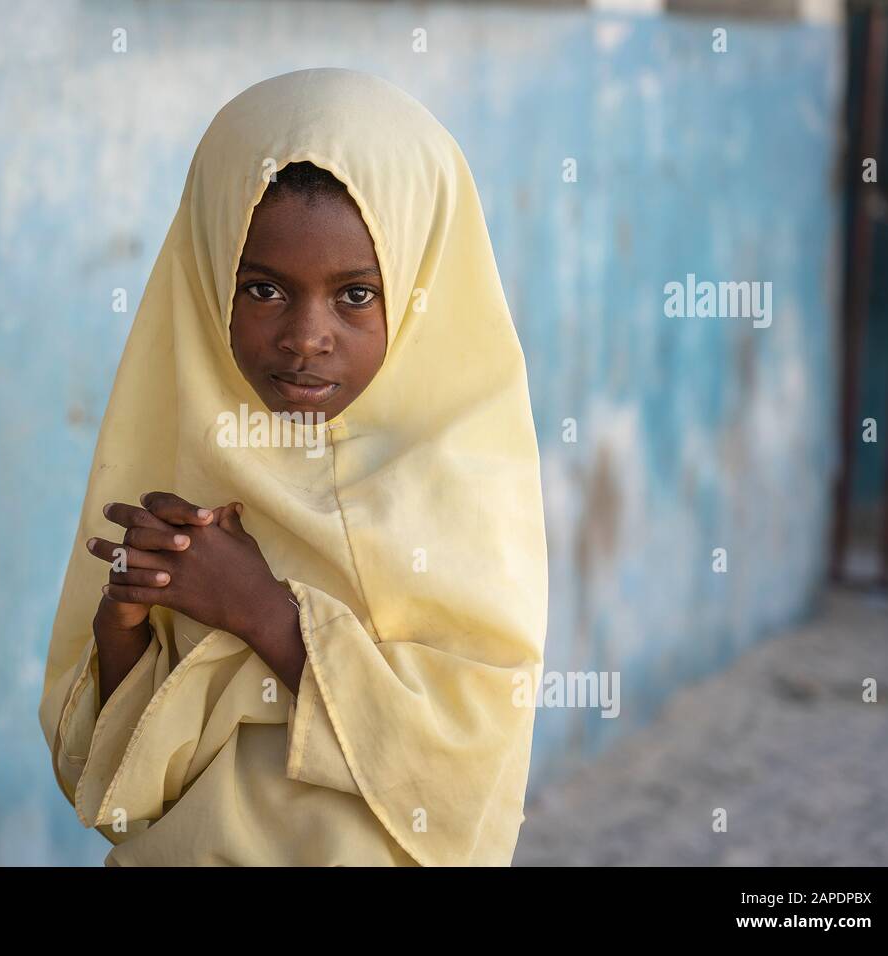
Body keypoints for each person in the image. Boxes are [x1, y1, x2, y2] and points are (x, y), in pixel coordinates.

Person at [38, 67, 548, 866]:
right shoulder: (186, 469)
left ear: (416, 288)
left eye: (355, 295)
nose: (307, 336)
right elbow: (116, 787)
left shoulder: (461, 487)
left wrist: (262, 610)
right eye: (265, 288)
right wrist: (126, 627)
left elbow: (466, 762)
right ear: (208, 281)